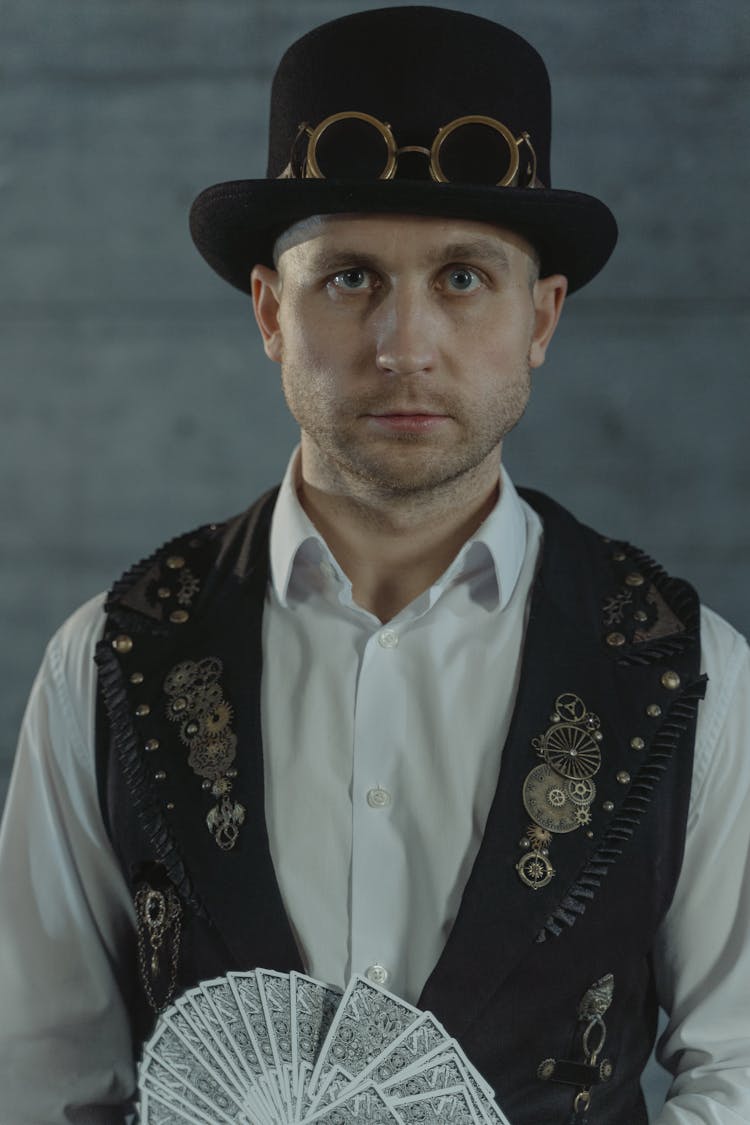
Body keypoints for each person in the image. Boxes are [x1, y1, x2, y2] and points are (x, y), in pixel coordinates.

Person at [1, 6, 749, 1123]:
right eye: (349, 278)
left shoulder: (689, 674)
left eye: (462, 278)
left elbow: (737, 1072)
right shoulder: (107, 664)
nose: (406, 343)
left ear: (542, 317)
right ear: (269, 310)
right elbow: (44, 1079)